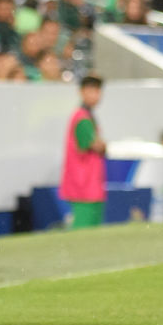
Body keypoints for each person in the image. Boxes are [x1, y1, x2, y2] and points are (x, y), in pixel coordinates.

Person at [59, 75, 107, 229]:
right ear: (81, 92)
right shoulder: (82, 118)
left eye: (97, 91)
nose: (95, 95)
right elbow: (96, 146)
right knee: (83, 230)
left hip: (87, 184)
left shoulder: (85, 115)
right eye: (91, 91)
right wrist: (104, 146)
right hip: (84, 185)